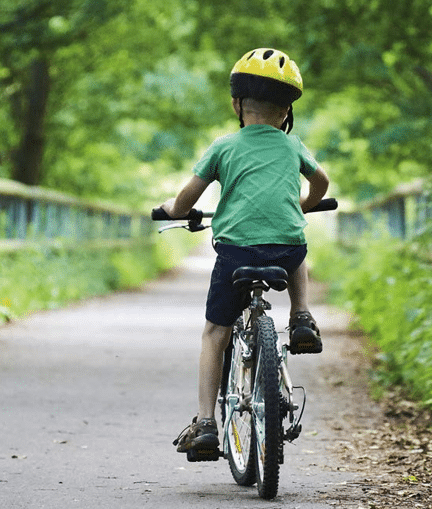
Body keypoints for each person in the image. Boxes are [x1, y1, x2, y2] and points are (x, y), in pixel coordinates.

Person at [161, 48, 330, 455]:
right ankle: (301, 315)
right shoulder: (293, 146)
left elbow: (186, 200)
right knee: (295, 240)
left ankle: (206, 423)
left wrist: (173, 210)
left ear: (237, 104)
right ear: (286, 111)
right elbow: (321, 183)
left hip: (236, 254)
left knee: (214, 333)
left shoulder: (224, 147)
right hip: (286, 252)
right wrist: (302, 205)